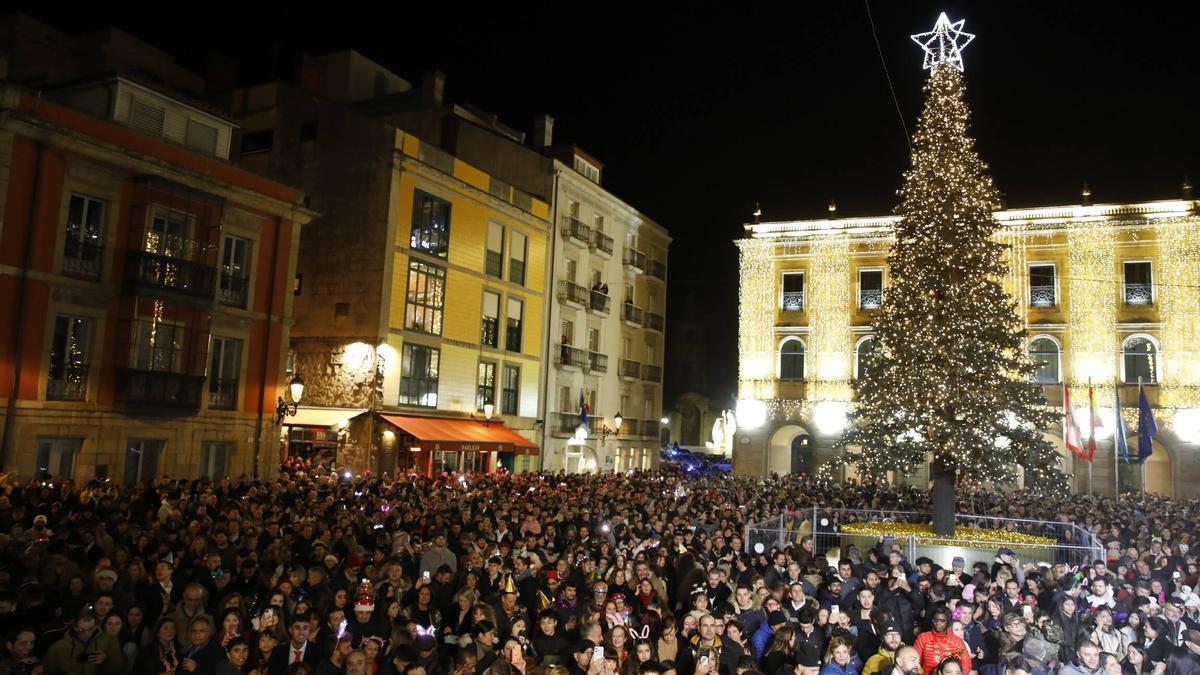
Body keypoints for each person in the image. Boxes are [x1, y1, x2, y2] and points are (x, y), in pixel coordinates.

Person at [42, 608, 125, 675]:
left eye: (91, 629)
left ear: (96, 626)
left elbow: (118, 670)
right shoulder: (58, 647)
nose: (87, 634)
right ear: (75, 627)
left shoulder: (110, 641)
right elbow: (47, 670)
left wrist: (107, 660)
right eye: (82, 630)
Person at [913, 608, 971, 675]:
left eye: (942, 621)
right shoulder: (923, 638)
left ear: (948, 622)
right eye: (935, 620)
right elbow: (915, 661)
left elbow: (966, 663)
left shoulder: (957, 641)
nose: (938, 623)